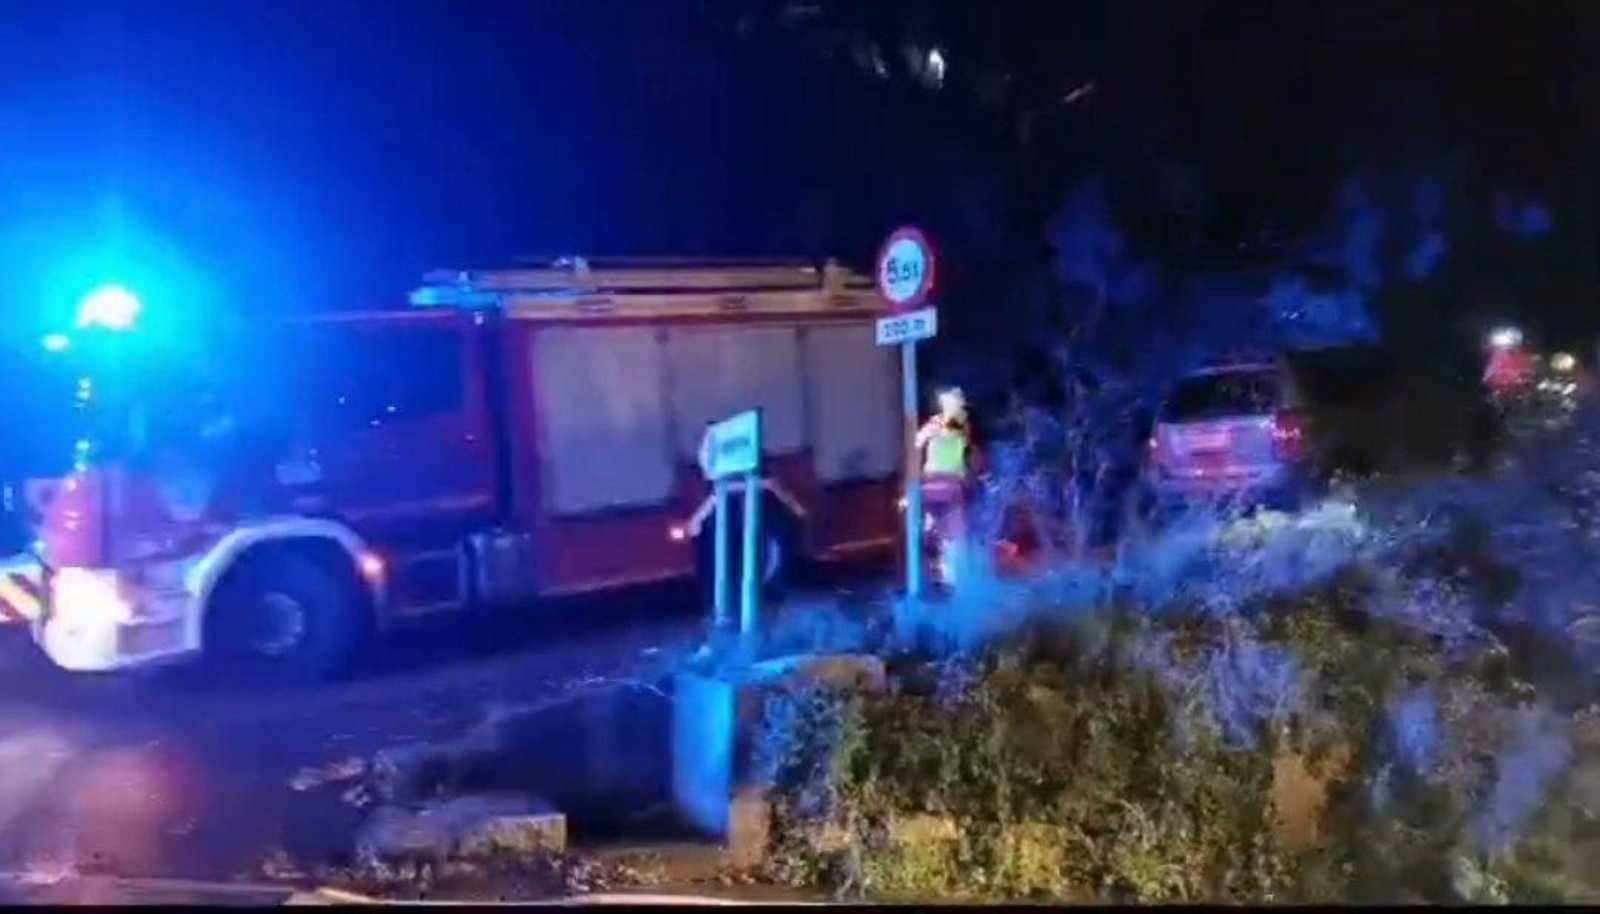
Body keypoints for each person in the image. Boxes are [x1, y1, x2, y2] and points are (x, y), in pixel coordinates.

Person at [915, 386, 979, 583]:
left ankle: (938, 572)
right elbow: (969, 459)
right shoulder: (959, 427)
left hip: (935, 486)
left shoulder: (938, 425)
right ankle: (947, 575)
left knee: (934, 532)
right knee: (950, 535)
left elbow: (917, 443)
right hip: (946, 486)